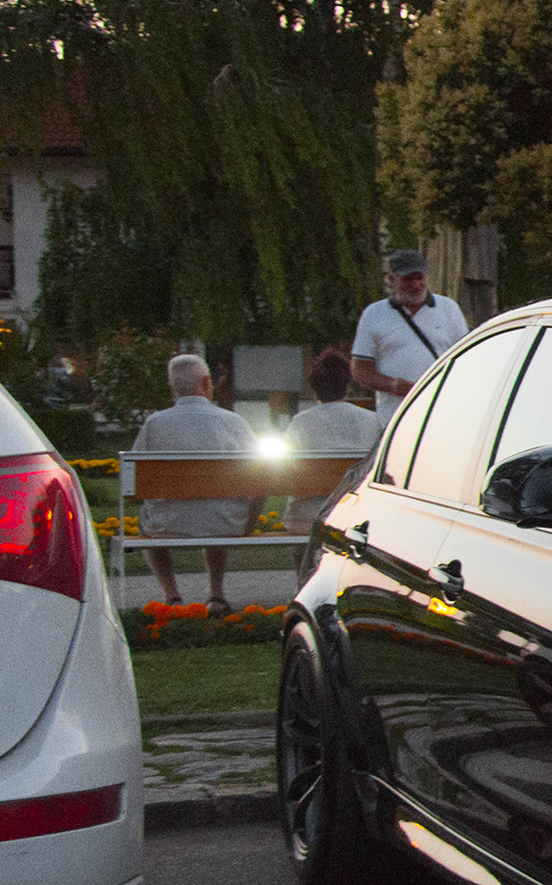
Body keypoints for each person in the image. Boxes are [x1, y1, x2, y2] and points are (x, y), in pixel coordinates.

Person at [132, 352, 259, 613]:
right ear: (206, 383)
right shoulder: (234, 422)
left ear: (173, 389)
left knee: (147, 523)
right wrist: (249, 522)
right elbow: (262, 477)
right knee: (216, 510)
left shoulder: (155, 424)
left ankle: (172, 596)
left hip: (168, 524)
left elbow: (133, 479)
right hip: (224, 521)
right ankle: (216, 594)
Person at [350, 247, 469, 415]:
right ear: (391, 279)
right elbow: (360, 370)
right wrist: (393, 385)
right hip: (396, 416)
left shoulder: (449, 309)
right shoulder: (374, 314)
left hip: (442, 413)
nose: (416, 285)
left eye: (420, 278)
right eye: (408, 279)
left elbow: (467, 359)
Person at [280, 349, 383, 534]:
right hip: (356, 512)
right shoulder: (372, 420)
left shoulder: (300, 422)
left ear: (314, 387)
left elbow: (284, 466)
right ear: (346, 384)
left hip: (309, 514)